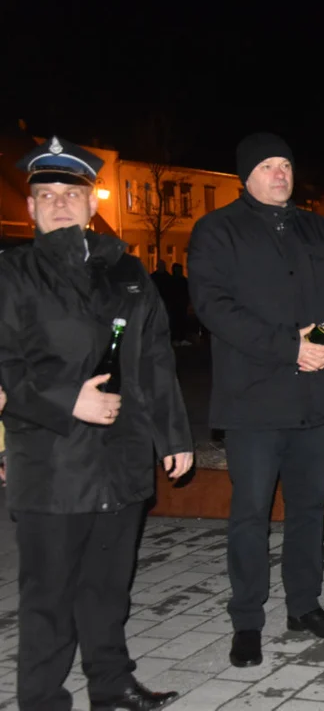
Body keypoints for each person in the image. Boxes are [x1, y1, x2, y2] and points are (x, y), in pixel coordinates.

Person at [0, 137, 192, 710]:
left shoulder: (126, 272)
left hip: (122, 458)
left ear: (91, 202)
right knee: (49, 598)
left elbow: (155, 358)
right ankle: (41, 699)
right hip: (53, 464)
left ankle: (110, 687)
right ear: (31, 209)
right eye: (47, 195)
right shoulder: (13, 276)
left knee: (109, 590)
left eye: (71, 194)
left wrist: (173, 434)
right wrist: (67, 401)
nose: (60, 203)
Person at [188, 132, 324, 669]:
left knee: (309, 509)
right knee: (251, 514)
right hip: (254, 399)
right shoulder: (218, 230)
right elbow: (213, 306)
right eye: (267, 165)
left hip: (313, 393)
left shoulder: (316, 227)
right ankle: (247, 620)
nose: (279, 173)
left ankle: (304, 606)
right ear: (245, 176)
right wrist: (292, 346)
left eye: (285, 163)